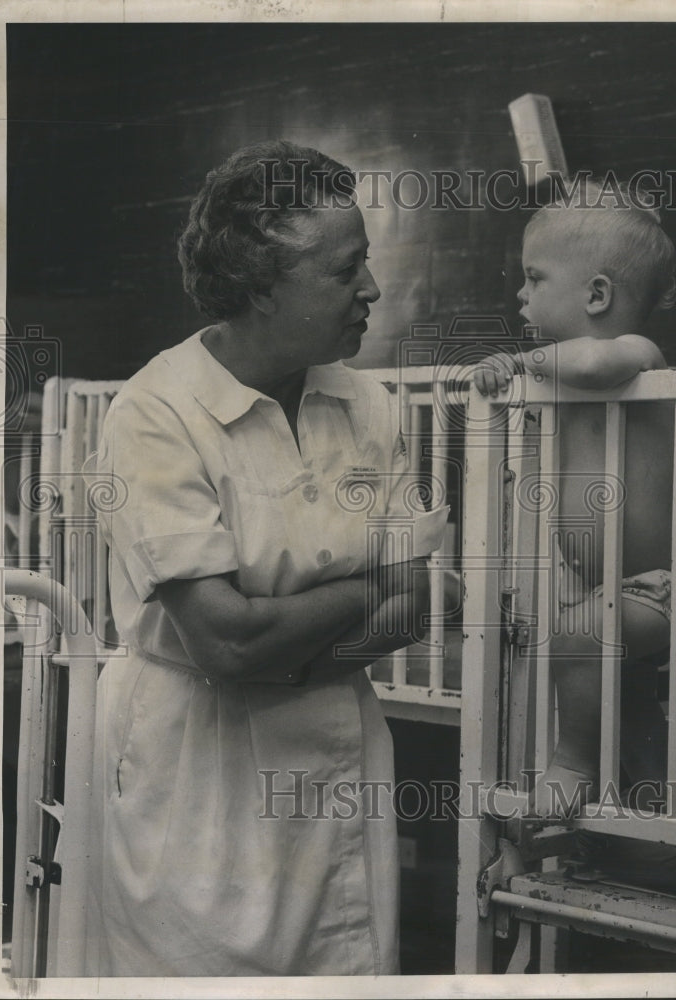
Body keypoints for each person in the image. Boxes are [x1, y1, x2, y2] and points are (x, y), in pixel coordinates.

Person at [83, 140, 448, 976]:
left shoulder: (366, 405)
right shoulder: (156, 413)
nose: (371, 289)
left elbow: (416, 600)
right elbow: (224, 644)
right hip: (197, 779)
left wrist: (279, 654)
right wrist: (362, 591)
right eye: (343, 269)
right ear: (257, 286)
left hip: (335, 765)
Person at [474, 182, 676, 816]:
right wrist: (512, 370)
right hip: (594, 580)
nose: (520, 294)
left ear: (598, 295)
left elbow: (594, 367)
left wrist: (522, 365)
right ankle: (662, 800)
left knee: (580, 639)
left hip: (656, 586)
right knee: (629, 696)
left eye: (534, 277)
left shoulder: (638, 356)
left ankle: (572, 764)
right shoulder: (555, 374)